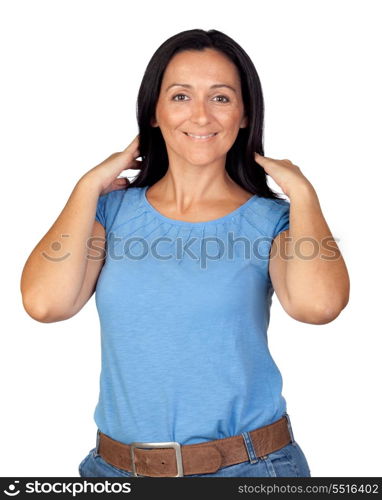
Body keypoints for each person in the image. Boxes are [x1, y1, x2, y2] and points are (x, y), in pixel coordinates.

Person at [20, 28, 350, 478]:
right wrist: (86, 187)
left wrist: (303, 195)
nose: (200, 115)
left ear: (244, 113)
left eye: (220, 98)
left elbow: (319, 306)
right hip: (115, 471)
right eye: (179, 96)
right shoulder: (110, 213)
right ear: (153, 113)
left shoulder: (274, 221)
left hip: (249, 471)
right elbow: (45, 304)